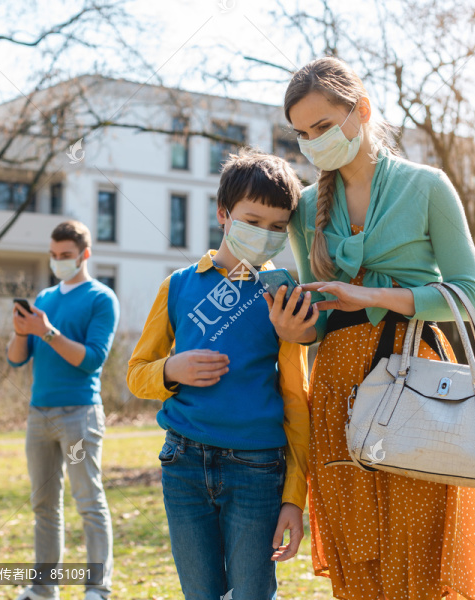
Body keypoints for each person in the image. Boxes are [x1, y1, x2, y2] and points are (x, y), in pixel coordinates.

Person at [265, 57, 475, 600]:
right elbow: (315, 324)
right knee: (358, 550)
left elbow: (469, 295)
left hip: (417, 377)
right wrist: (294, 328)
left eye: (322, 126)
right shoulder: (307, 208)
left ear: (360, 111)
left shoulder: (427, 187)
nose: (312, 141)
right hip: (337, 387)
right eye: (302, 134)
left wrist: (370, 295)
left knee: (422, 550)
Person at [126, 149, 310, 600]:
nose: (265, 234)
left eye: (276, 227)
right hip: (183, 464)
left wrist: (295, 496)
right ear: (223, 214)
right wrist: (172, 368)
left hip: (257, 469)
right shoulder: (178, 286)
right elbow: (136, 374)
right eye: (252, 220)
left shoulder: (282, 295)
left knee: (251, 593)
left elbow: (295, 395)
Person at [6, 220, 119, 600]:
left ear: (85, 254)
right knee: (43, 504)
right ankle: (43, 588)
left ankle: (97, 588)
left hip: (79, 415)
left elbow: (90, 360)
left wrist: (49, 332)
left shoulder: (102, 298)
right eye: (54, 256)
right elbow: (16, 360)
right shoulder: (45, 298)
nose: (59, 262)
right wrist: (24, 332)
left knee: (87, 500)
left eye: (66, 256)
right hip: (40, 416)